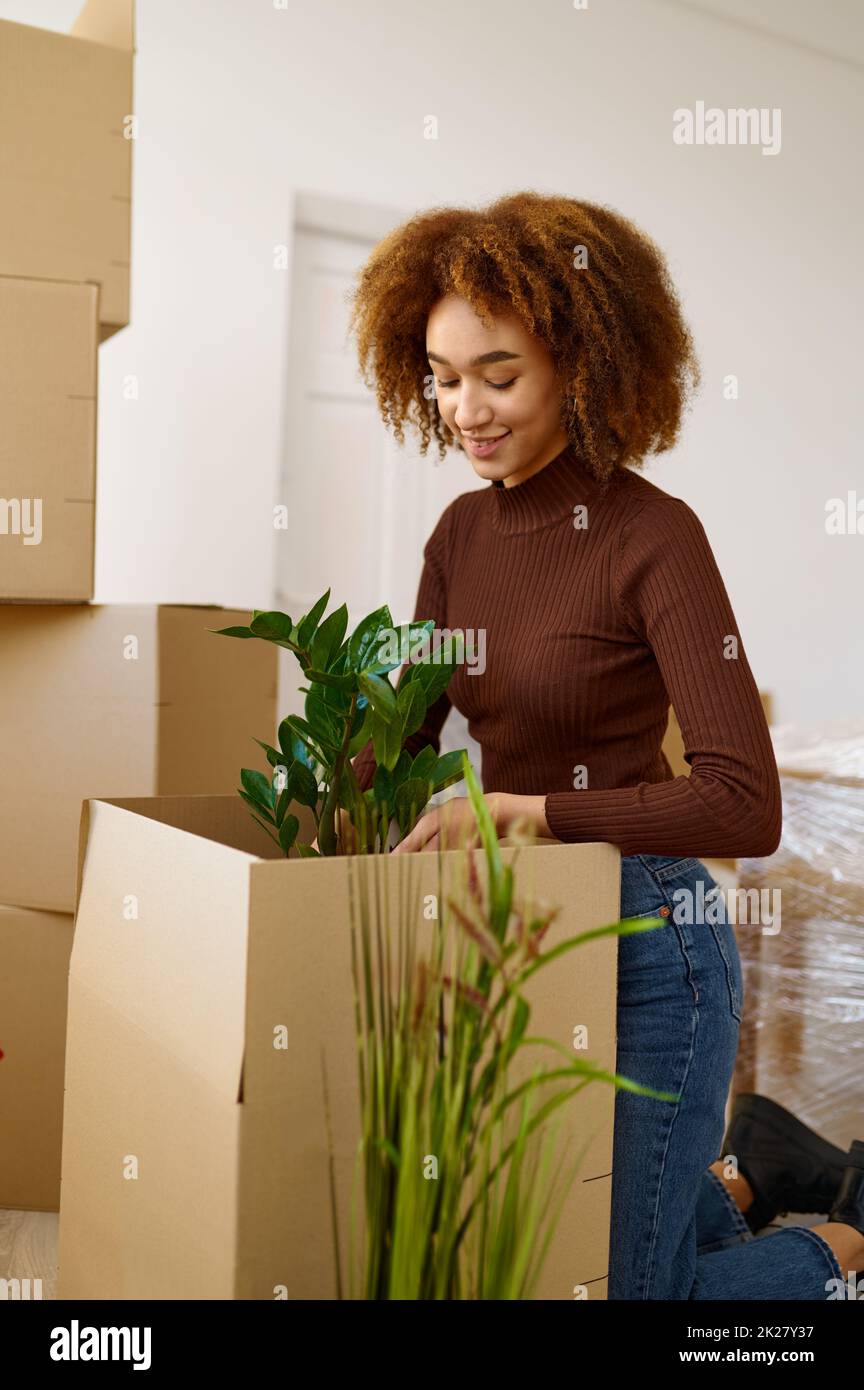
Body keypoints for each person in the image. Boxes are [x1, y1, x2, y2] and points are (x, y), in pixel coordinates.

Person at [345, 191, 864, 1299]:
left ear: (578, 360)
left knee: (628, 1296)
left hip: (653, 949)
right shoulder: (458, 535)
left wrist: (537, 811)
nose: (465, 410)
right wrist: (316, 799)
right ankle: (757, 1168)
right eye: (441, 376)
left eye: (498, 373)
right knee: (553, 1257)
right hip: (523, 937)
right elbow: (405, 729)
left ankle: (846, 1244)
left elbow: (743, 804)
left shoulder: (652, 535)